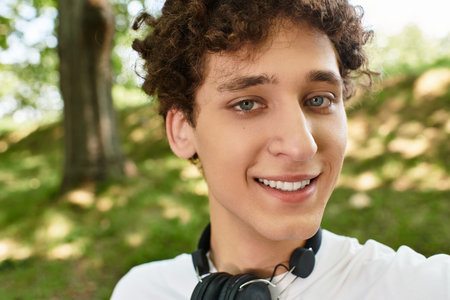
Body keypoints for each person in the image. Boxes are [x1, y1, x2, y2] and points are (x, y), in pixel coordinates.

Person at [111, 0, 450, 299]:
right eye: (247, 103)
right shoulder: (139, 292)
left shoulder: (425, 287)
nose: (302, 145)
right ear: (182, 130)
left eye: (319, 99)